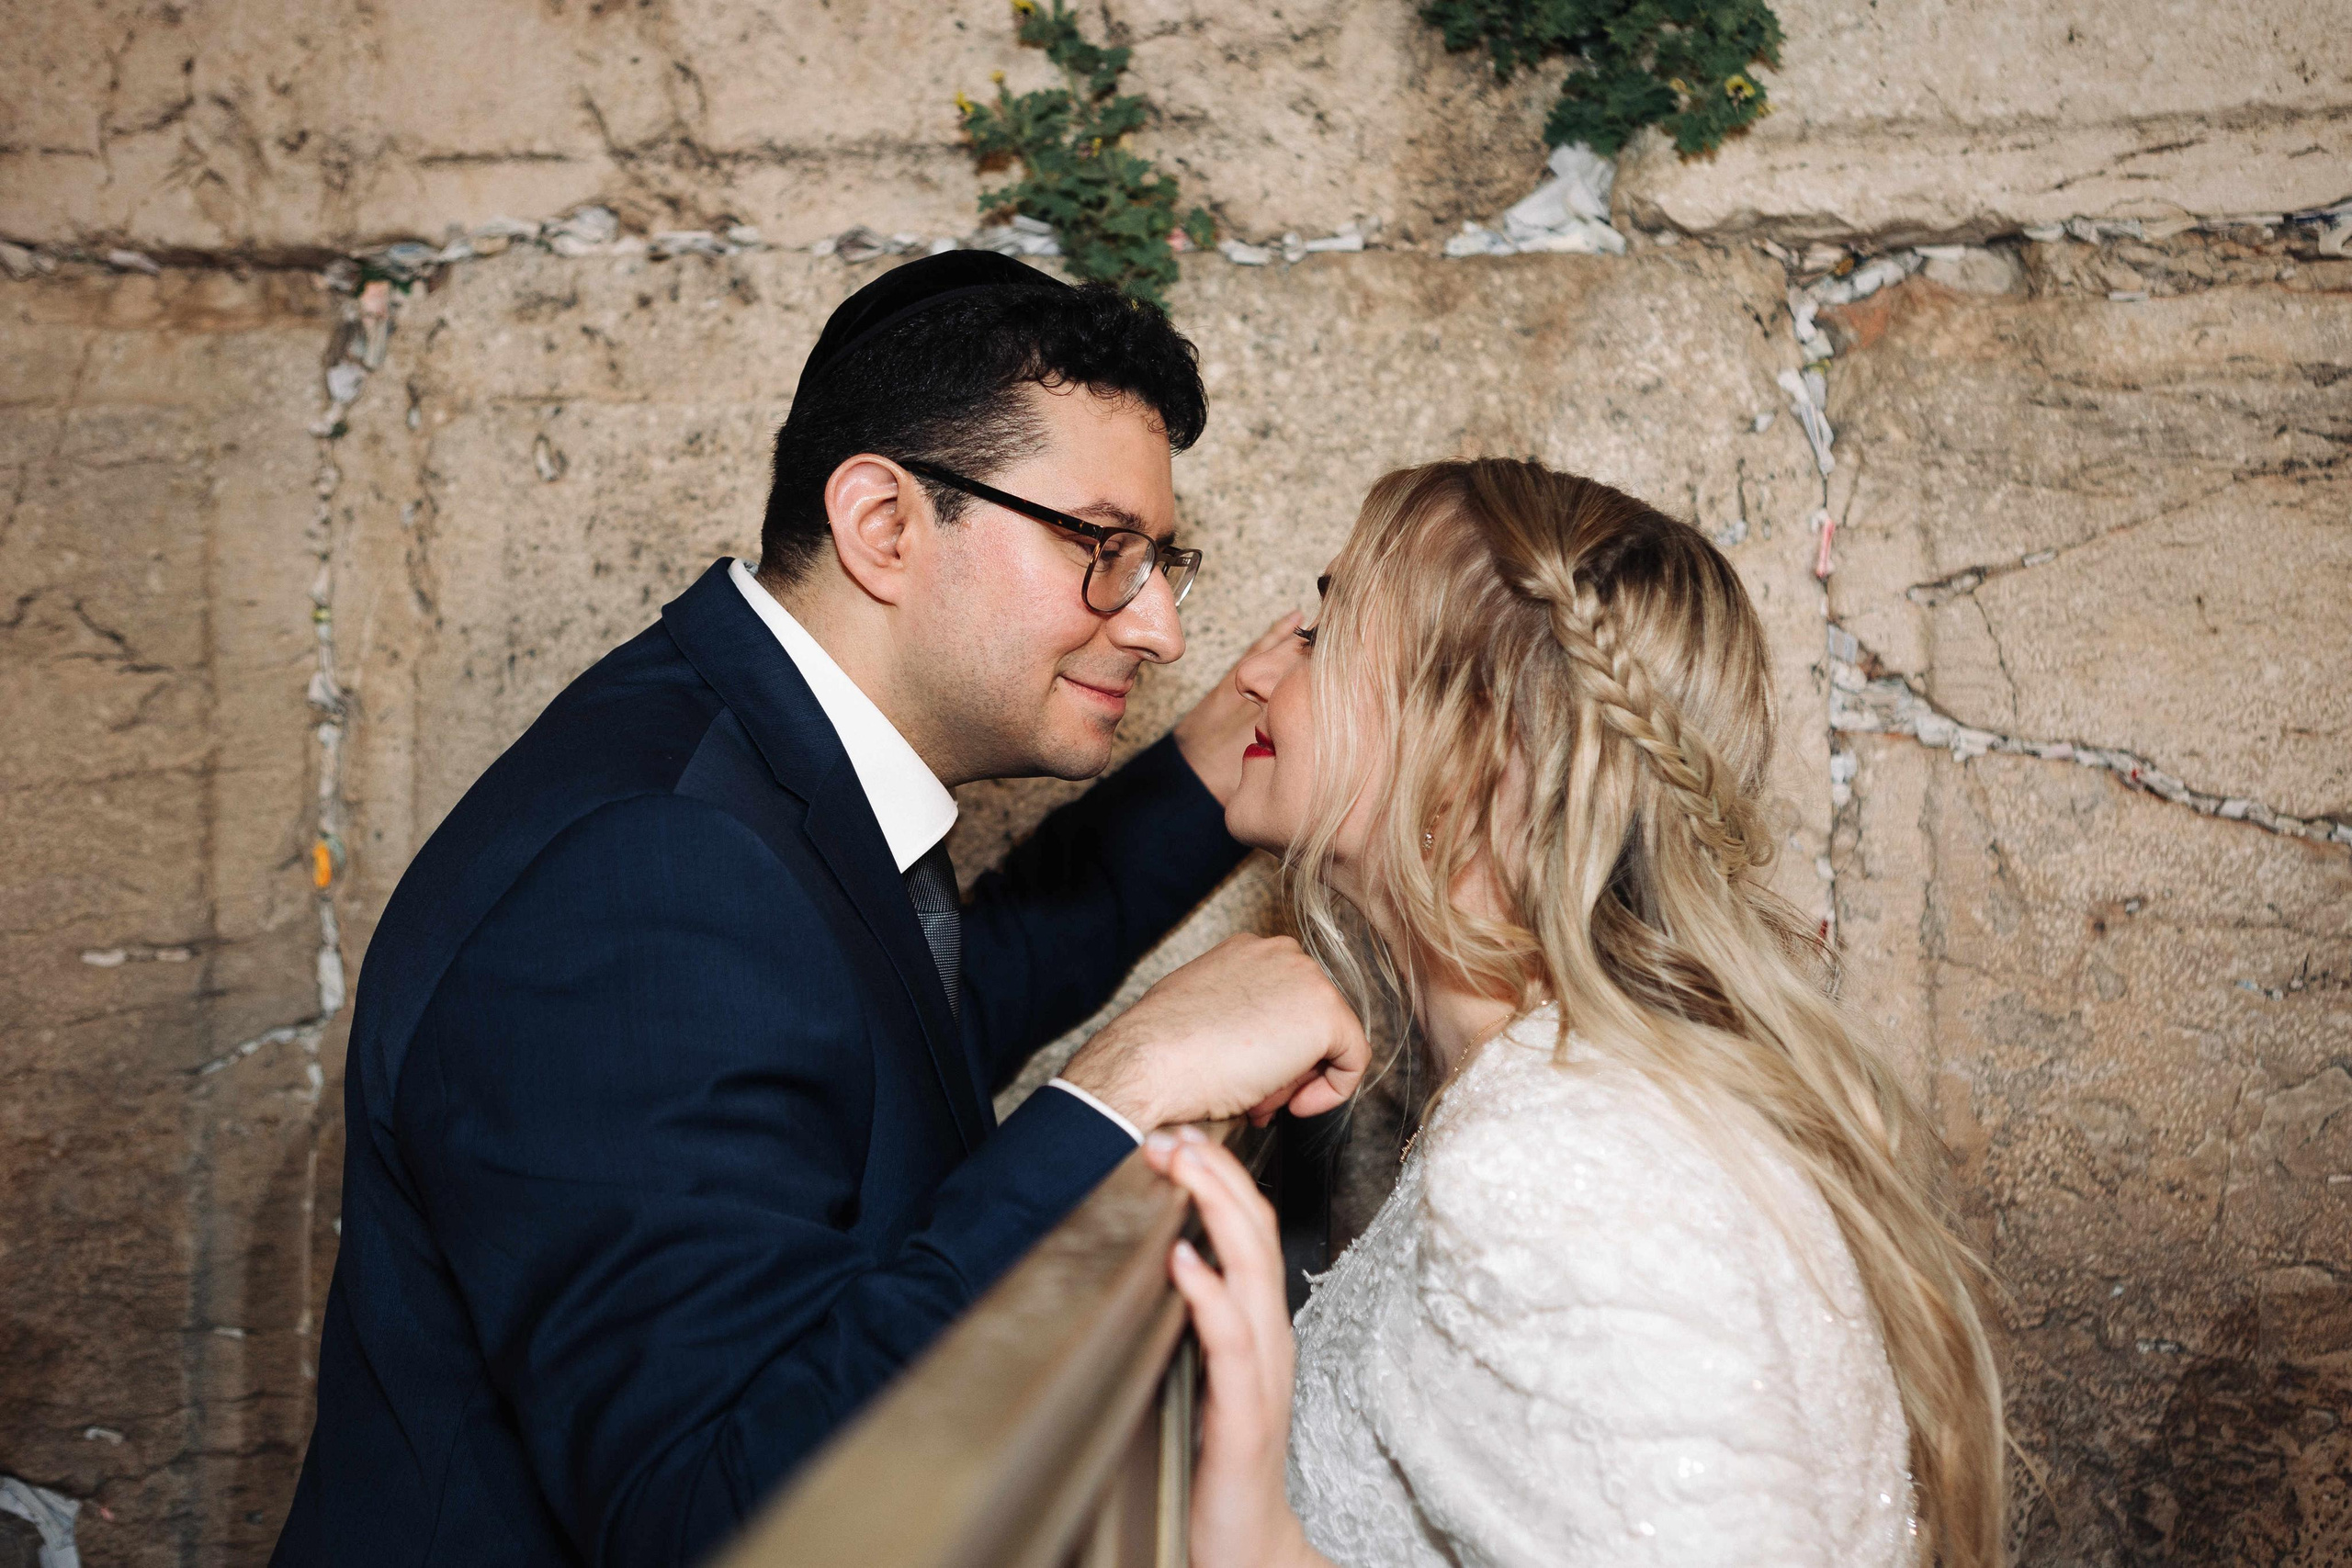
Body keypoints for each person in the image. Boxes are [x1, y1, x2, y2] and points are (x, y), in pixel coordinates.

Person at [272, 253, 1368, 1568]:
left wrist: (1202, 777)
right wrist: (1127, 1089)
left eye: (1158, 563)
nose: (1157, 629)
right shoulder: (647, 874)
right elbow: (726, 1514)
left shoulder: (753, 760)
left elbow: (913, 1021)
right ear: (886, 525)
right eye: (1101, 550)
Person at [1147, 459, 2007, 1567]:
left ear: (1470, 749)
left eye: (1325, 629)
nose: (1260, 671)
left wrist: (1259, 1548)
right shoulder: (1563, 1106)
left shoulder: (1558, 1168)